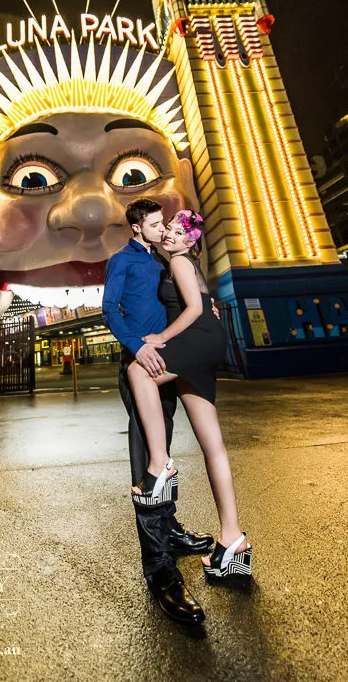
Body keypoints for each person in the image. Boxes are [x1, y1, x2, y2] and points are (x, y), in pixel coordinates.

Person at [102, 198, 216, 626]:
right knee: (148, 465)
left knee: (163, 451)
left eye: (163, 223)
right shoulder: (122, 260)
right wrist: (137, 346)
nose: (162, 229)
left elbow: (184, 300)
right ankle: (160, 569)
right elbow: (109, 309)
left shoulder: (163, 259)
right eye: (154, 224)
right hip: (140, 364)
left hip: (167, 363)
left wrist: (206, 308)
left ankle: (170, 530)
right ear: (137, 228)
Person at [128, 208, 253, 589]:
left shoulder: (180, 261)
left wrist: (160, 338)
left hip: (196, 339)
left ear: (190, 240)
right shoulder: (184, 263)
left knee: (139, 371)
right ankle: (232, 540)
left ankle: (160, 465)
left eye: (179, 232)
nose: (170, 235)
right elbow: (201, 302)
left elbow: (196, 308)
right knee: (213, 446)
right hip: (204, 339)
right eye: (168, 228)